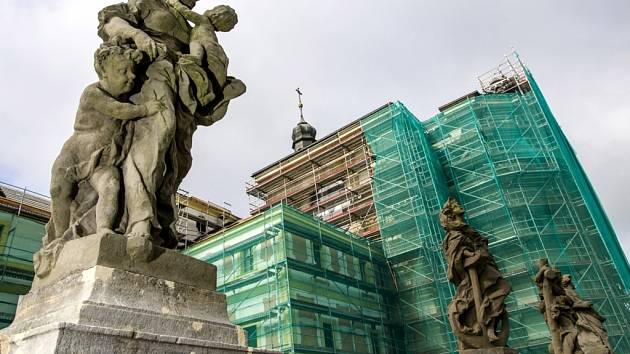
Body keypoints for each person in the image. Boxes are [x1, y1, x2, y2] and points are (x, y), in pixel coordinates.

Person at [97, 0, 245, 248]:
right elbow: (110, 22)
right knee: (157, 134)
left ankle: (162, 222)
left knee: (179, 159)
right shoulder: (148, 3)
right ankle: (139, 221)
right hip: (153, 72)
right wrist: (138, 36)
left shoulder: (189, 24)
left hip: (184, 89)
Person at [47, 43, 162, 245]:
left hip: (102, 160)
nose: (131, 76)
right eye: (122, 71)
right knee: (59, 190)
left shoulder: (128, 97)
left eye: (132, 72)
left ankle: (103, 229)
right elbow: (118, 110)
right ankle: (59, 237)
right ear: (104, 73)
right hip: (74, 155)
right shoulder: (93, 92)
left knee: (111, 185)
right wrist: (145, 109)